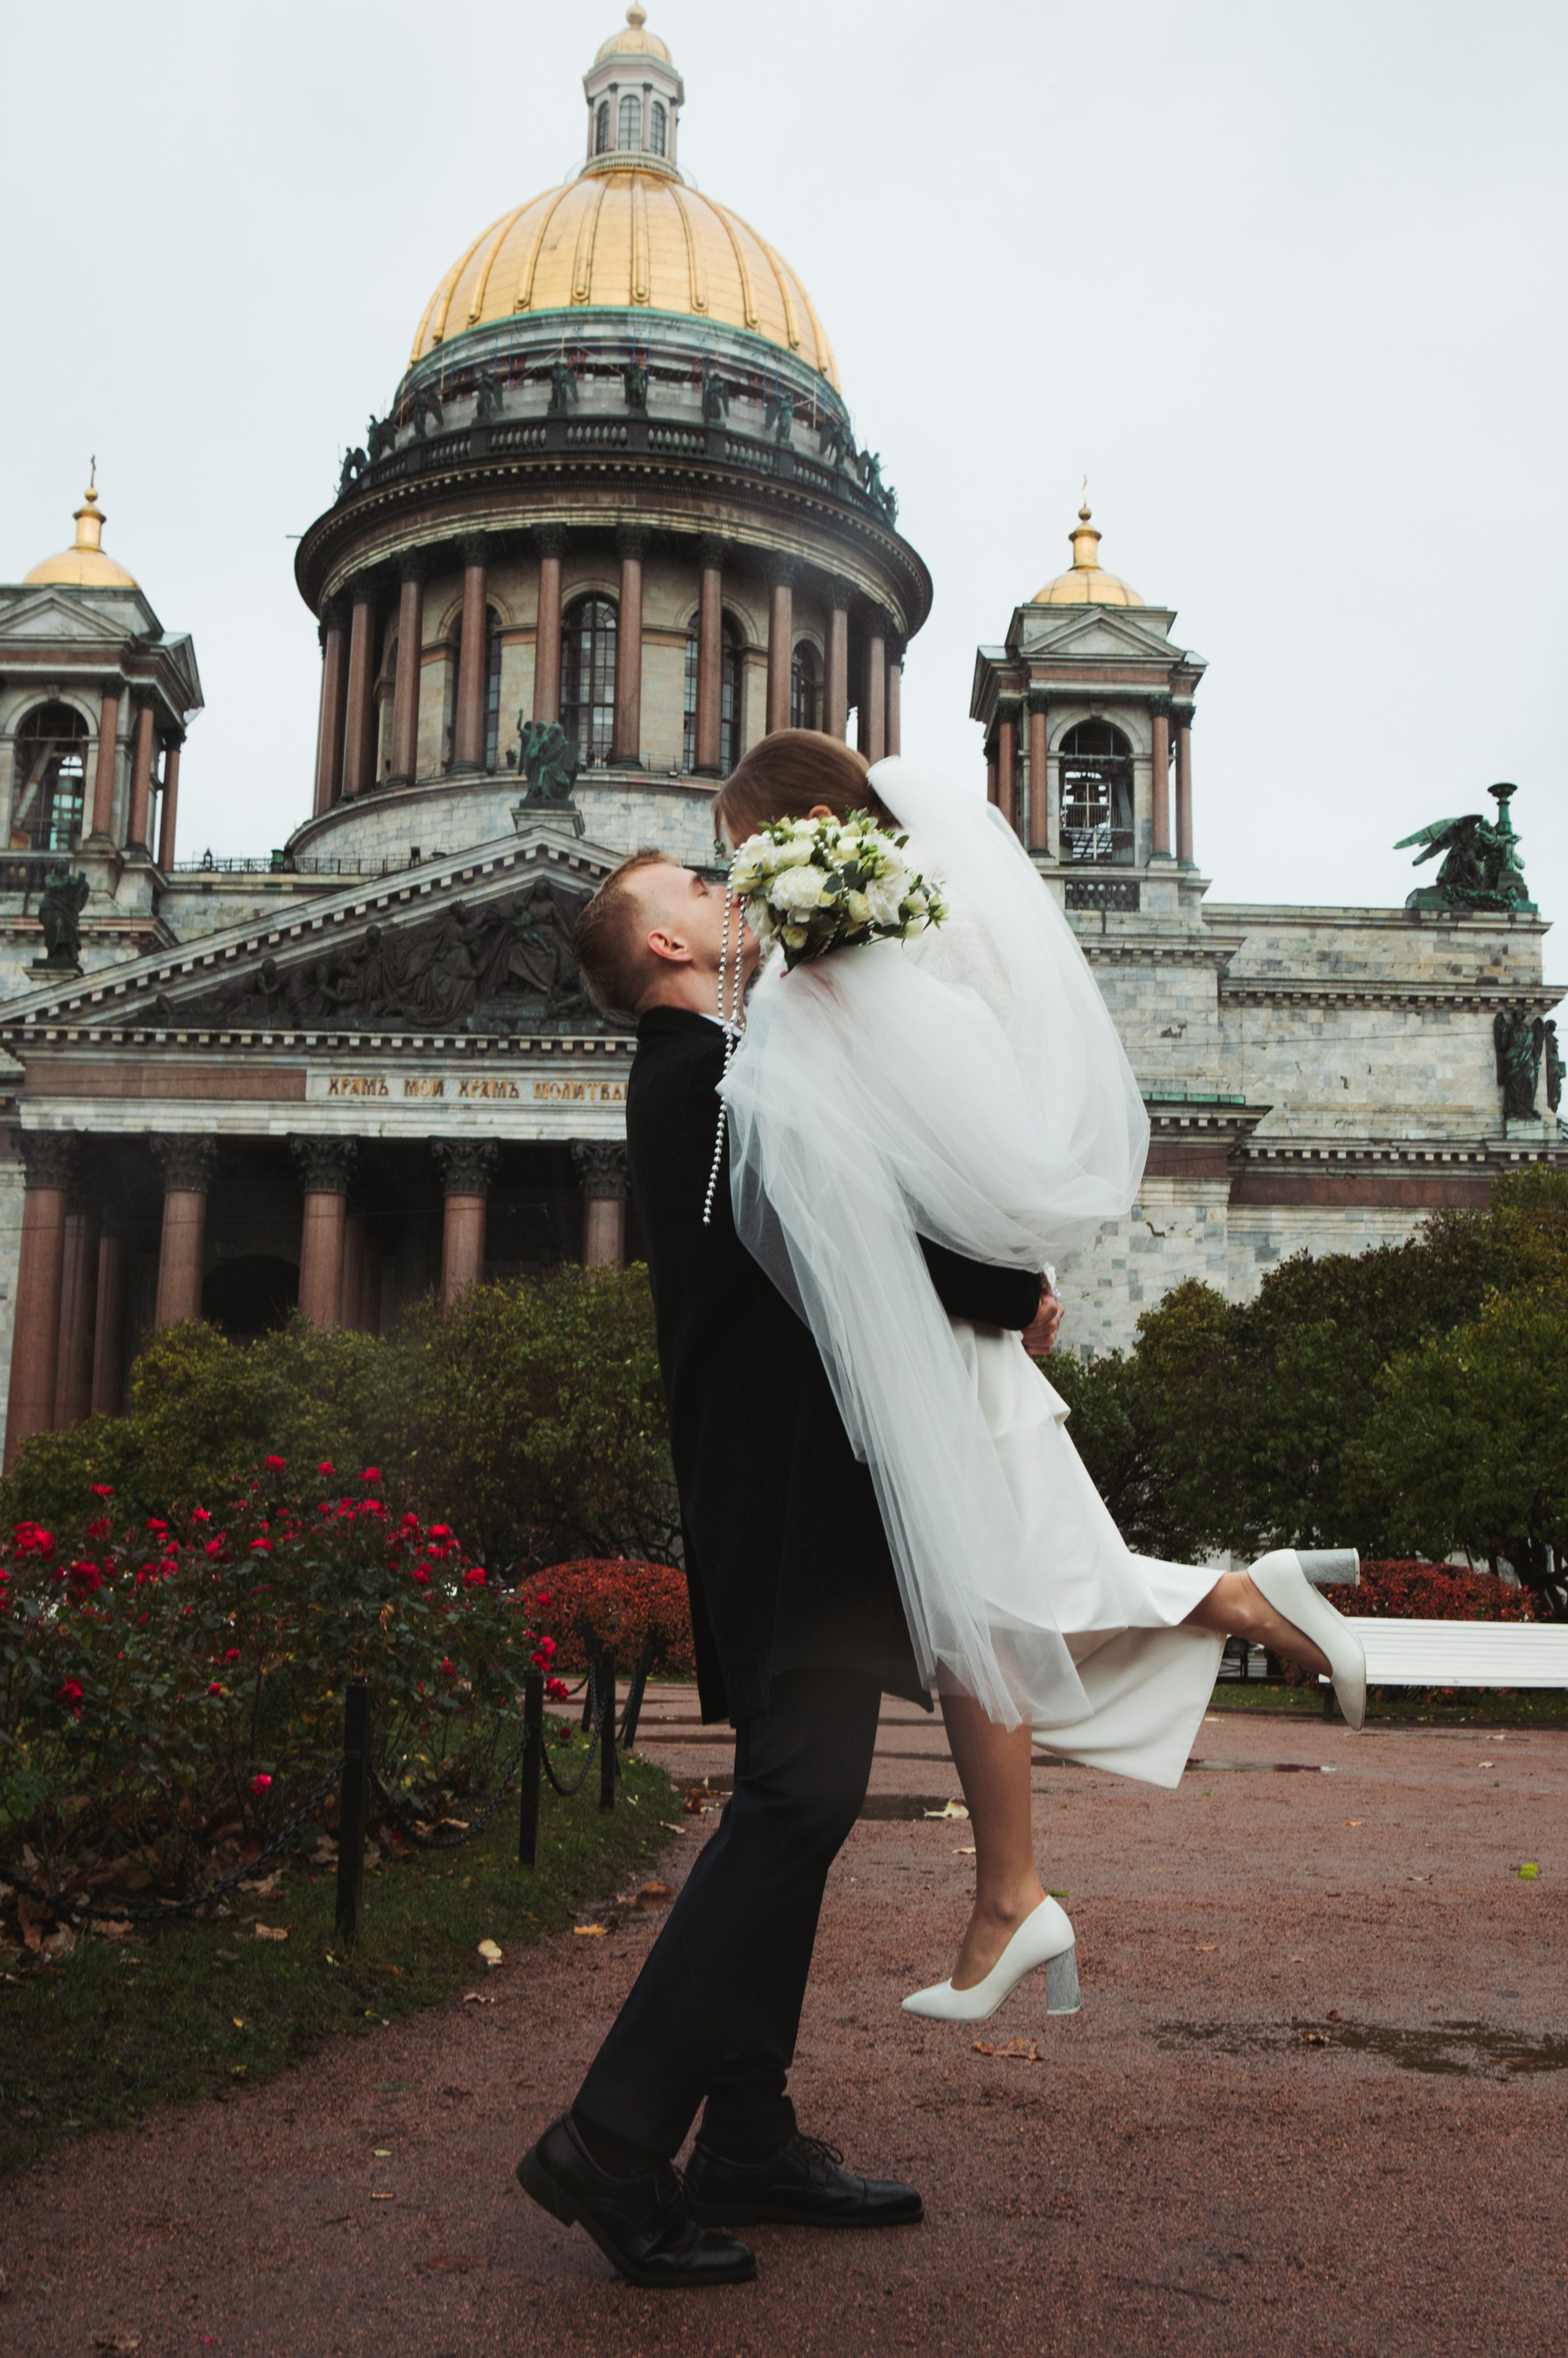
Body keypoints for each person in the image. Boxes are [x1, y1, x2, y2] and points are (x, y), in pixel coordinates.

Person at [713, 730, 1368, 2022]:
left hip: (929, 1360)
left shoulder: (819, 1001)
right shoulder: (923, 985)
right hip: (956, 1346)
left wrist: (1007, 1291)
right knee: (996, 1618)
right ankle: (1017, 1885)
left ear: (799, 848)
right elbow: (982, 1174)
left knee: (990, 1619)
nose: (730, 888)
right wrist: (1023, 1284)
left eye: (740, 857)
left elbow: (861, 1207)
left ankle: (1015, 1891)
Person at [515, 845, 1040, 2286]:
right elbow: (854, 1229)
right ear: (668, 949)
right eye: (693, 882)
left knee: (795, 1805)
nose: (725, 886)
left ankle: (744, 2131)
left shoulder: (718, 1073)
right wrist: (1013, 1288)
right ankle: (614, 2142)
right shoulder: (711, 1082)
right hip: (793, 1505)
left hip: (789, 1500)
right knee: (796, 1804)